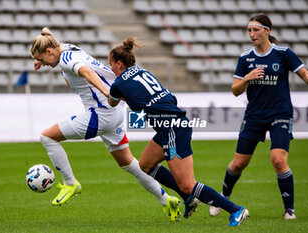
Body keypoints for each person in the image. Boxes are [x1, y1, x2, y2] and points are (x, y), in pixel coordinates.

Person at [30, 27, 181, 221]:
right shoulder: (66, 49)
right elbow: (54, 45)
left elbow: (86, 73)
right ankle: (166, 199)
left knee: (47, 137)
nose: (43, 63)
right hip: (114, 113)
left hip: (101, 114)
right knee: (128, 163)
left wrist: (108, 93)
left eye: (42, 59)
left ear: (49, 51)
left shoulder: (67, 60)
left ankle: (70, 183)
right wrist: (41, 58)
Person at [104, 37, 249, 226]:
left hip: (172, 129)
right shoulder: (143, 72)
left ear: (119, 63)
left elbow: (112, 102)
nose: (110, 69)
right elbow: (167, 97)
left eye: (111, 65)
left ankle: (236, 210)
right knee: (146, 165)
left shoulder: (118, 83)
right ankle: (189, 199)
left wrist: (113, 93)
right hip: (171, 125)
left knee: (188, 184)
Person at [209, 13, 308, 220]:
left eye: (256, 30)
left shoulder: (283, 53)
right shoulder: (245, 58)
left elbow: (303, 73)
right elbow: (235, 90)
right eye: (249, 30)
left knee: (278, 160)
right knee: (239, 163)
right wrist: (247, 78)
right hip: (254, 116)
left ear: (267, 31)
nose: (251, 34)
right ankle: (224, 196)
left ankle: (289, 210)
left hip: (280, 114)